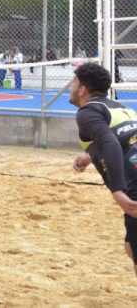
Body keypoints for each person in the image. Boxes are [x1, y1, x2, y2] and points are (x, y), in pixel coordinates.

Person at [69, 63, 137, 276]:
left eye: (74, 82)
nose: (71, 87)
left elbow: (111, 144)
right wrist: (90, 156)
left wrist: (117, 191)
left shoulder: (87, 112)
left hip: (133, 184)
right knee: (130, 247)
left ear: (82, 90)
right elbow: (124, 140)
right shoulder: (123, 109)